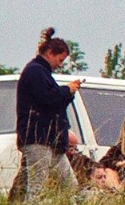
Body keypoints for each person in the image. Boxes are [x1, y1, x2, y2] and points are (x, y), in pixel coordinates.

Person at [13, 29, 82, 195]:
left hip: (51, 140)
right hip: (38, 138)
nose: (60, 64)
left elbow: (51, 102)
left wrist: (67, 93)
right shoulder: (35, 71)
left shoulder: (40, 73)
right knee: (36, 187)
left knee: (69, 185)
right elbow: (48, 98)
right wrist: (67, 90)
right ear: (50, 53)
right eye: (60, 59)